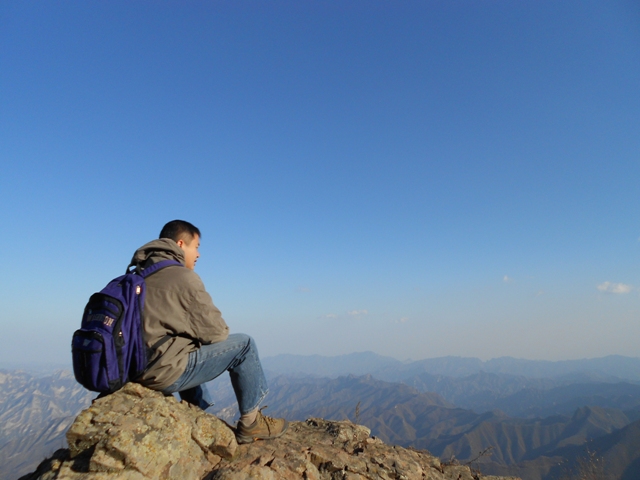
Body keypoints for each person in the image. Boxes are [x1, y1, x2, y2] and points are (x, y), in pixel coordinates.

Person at [130, 219, 288, 444]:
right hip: (162, 372)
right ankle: (252, 423)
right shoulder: (183, 277)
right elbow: (217, 333)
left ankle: (197, 414)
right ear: (181, 243)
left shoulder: (139, 275)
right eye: (196, 247)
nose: (198, 255)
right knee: (245, 345)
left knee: (185, 345)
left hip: (135, 369)